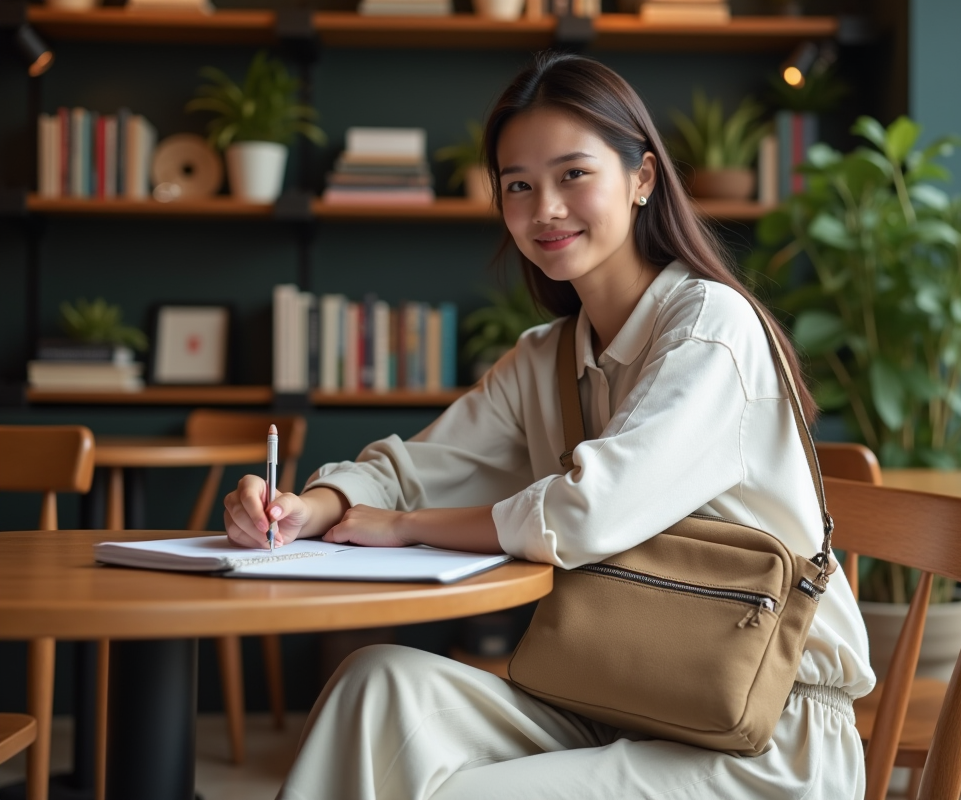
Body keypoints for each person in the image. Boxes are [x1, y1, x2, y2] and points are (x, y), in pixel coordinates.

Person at [224, 52, 873, 800]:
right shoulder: (546, 359)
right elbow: (410, 470)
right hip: (614, 699)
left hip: (767, 732)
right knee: (379, 685)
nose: (545, 210)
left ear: (643, 179)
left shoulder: (709, 328)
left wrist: (404, 529)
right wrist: (315, 508)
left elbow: (588, 510)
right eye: (518, 186)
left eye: (573, 175)